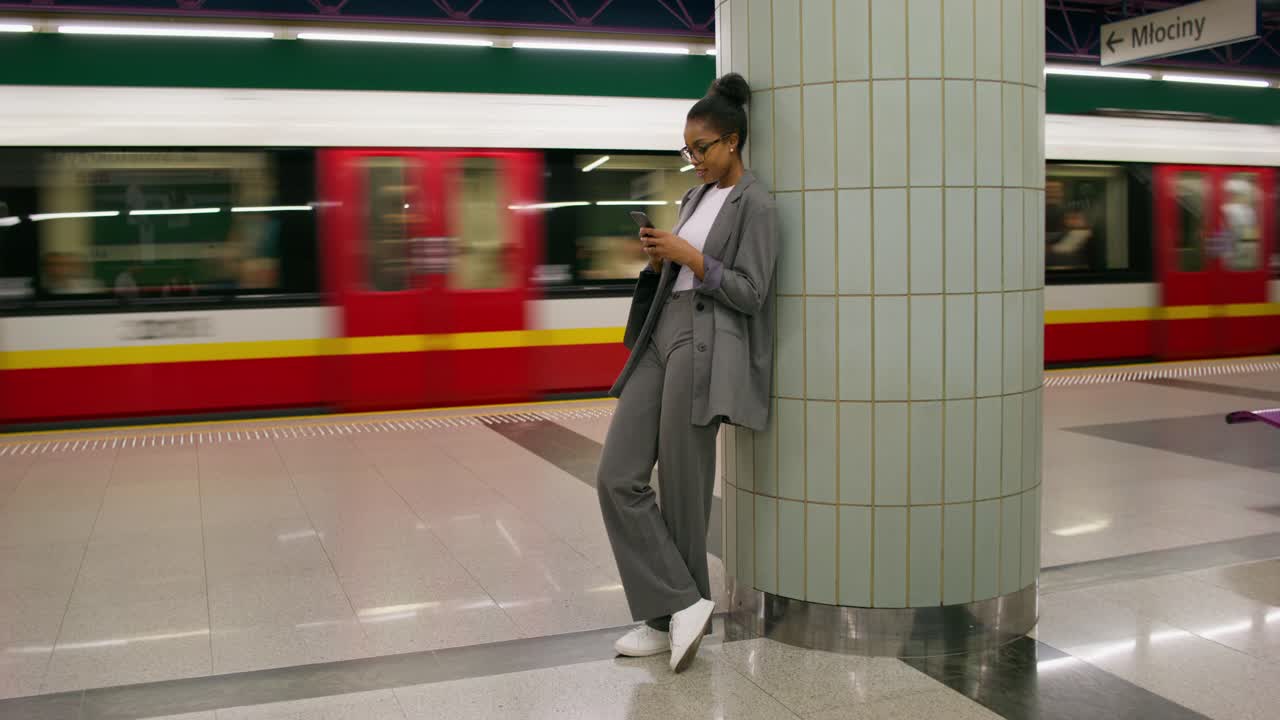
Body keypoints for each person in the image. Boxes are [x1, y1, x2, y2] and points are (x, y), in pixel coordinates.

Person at [595, 72, 780, 673]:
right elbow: (684, 269)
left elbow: (752, 292)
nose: (693, 160)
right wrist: (662, 257)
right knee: (617, 475)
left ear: (732, 142)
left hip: (706, 345)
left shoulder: (757, 203)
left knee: (683, 488)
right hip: (659, 336)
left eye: (701, 149)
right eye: (687, 150)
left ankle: (663, 618)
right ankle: (682, 603)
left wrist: (694, 258)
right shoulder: (693, 199)